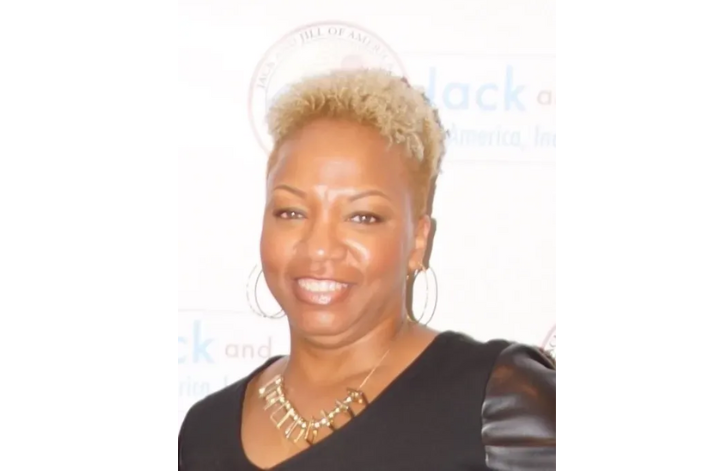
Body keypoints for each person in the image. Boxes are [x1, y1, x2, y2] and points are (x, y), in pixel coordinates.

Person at [178, 68, 556, 470]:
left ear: (418, 242)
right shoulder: (205, 430)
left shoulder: (500, 404)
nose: (319, 247)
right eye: (291, 212)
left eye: (363, 217)